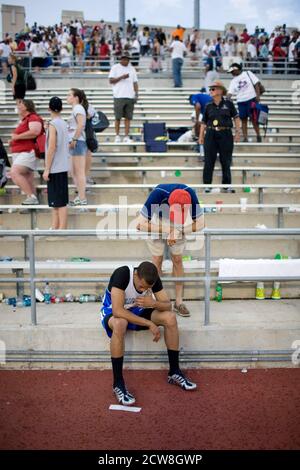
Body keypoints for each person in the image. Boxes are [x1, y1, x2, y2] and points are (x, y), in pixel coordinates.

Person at [101, 261, 197, 405]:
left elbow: (167, 305)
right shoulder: (122, 274)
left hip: (138, 310)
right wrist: (149, 323)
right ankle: (118, 383)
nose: (144, 289)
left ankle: (174, 372)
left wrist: (153, 303)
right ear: (136, 275)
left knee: (170, 318)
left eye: (148, 288)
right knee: (120, 323)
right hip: (113, 312)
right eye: (141, 286)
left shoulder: (152, 277)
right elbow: (118, 310)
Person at [136, 185, 204, 317]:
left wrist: (178, 230)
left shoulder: (191, 194)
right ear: (169, 203)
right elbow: (140, 224)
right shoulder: (157, 194)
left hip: (179, 225)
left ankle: (179, 302)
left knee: (177, 259)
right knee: (157, 260)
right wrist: (169, 230)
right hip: (157, 222)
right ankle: (155, 300)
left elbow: (201, 223)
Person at [199, 80, 240, 193]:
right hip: (211, 134)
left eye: (213, 89)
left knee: (226, 160)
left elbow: (236, 118)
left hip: (225, 134)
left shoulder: (229, 104)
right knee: (209, 161)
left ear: (220, 91)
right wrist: (201, 136)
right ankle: (207, 185)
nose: (211, 91)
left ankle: (226, 185)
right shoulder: (208, 105)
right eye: (210, 89)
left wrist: (237, 132)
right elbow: (203, 122)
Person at [9, 99, 44, 205]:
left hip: (28, 151)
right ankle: (33, 202)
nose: (18, 106)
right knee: (27, 179)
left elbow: (35, 132)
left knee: (14, 172)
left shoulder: (33, 117)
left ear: (27, 106)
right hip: (21, 152)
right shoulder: (25, 120)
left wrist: (16, 137)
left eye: (21, 104)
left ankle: (31, 196)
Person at [43, 97, 69, 229]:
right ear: (62, 108)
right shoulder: (63, 123)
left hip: (55, 167)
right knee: (56, 202)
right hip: (63, 166)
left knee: (59, 202)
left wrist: (47, 169)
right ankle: (55, 227)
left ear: (49, 109)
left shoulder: (53, 125)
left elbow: (52, 147)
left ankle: (62, 230)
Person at [227, 62, 262, 142]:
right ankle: (245, 138)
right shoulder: (233, 81)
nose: (231, 73)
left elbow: (256, 84)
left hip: (252, 99)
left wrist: (258, 96)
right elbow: (230, 92)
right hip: (241, 102)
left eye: (232, 71)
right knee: (243, 120)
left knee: (254, 119)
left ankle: (258, 135)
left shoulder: (247, 73)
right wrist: (228, 98)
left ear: (236, 69)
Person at [109, 52, 139, 143]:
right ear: (120, 59)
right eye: (124, 58)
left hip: (130, 96)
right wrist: (122, 77)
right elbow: (111, 80)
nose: (125, 60)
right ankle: (117, 136)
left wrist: (136, 94)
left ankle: (126, 136)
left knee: (128, 118)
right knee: (117, 117)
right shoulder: (115, 68)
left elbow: (135, 82)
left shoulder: (132, 69)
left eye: (127, 59)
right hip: (119, 96)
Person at [66, 88, 88, 205]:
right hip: (75, 141)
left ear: (76, 97)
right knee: (74, 172)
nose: (67, 97)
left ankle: (82, 197)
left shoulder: (78, 108)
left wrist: (74, 139)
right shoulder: (76, 109)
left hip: (78, 141)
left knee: (79, 172)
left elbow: (81, 125)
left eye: (69, 95)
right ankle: (80, 196)